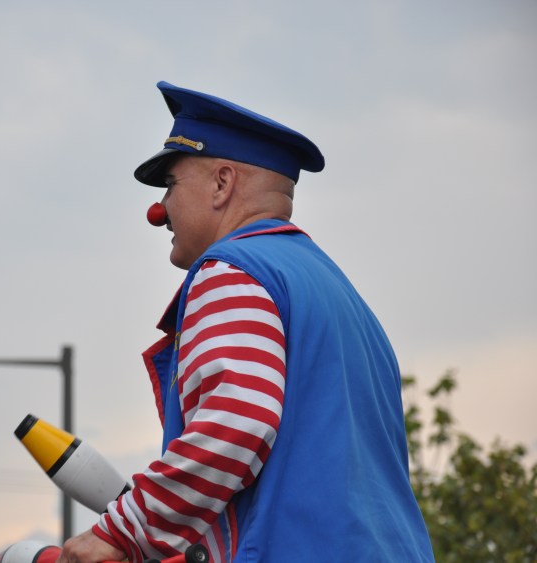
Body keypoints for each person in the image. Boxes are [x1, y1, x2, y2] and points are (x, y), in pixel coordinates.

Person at [57, 81, 434, 563]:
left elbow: (236, 423)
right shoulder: (341, 296)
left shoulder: (232, 270)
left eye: (171, 185)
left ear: (222, 183)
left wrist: (120, 534)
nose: (160, 211)